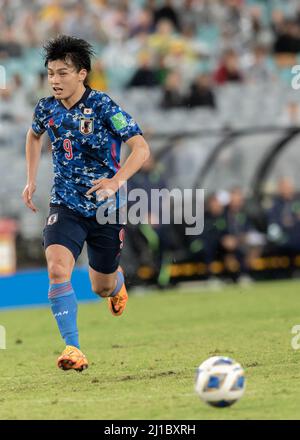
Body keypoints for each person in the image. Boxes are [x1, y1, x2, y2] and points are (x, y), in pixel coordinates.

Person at [22, 35, 150, 372]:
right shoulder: (45, 108)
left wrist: (116, 180)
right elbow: (33, 135)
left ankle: (117, 284)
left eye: (62, 73)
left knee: (101, 286)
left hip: (106, 207)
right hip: (64, 204)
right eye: (50, 74)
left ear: (82, 74)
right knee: (57, 268)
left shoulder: (104, 106)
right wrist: (32, 179)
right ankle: (73, 348)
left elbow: (141, 148)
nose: (55, 81)